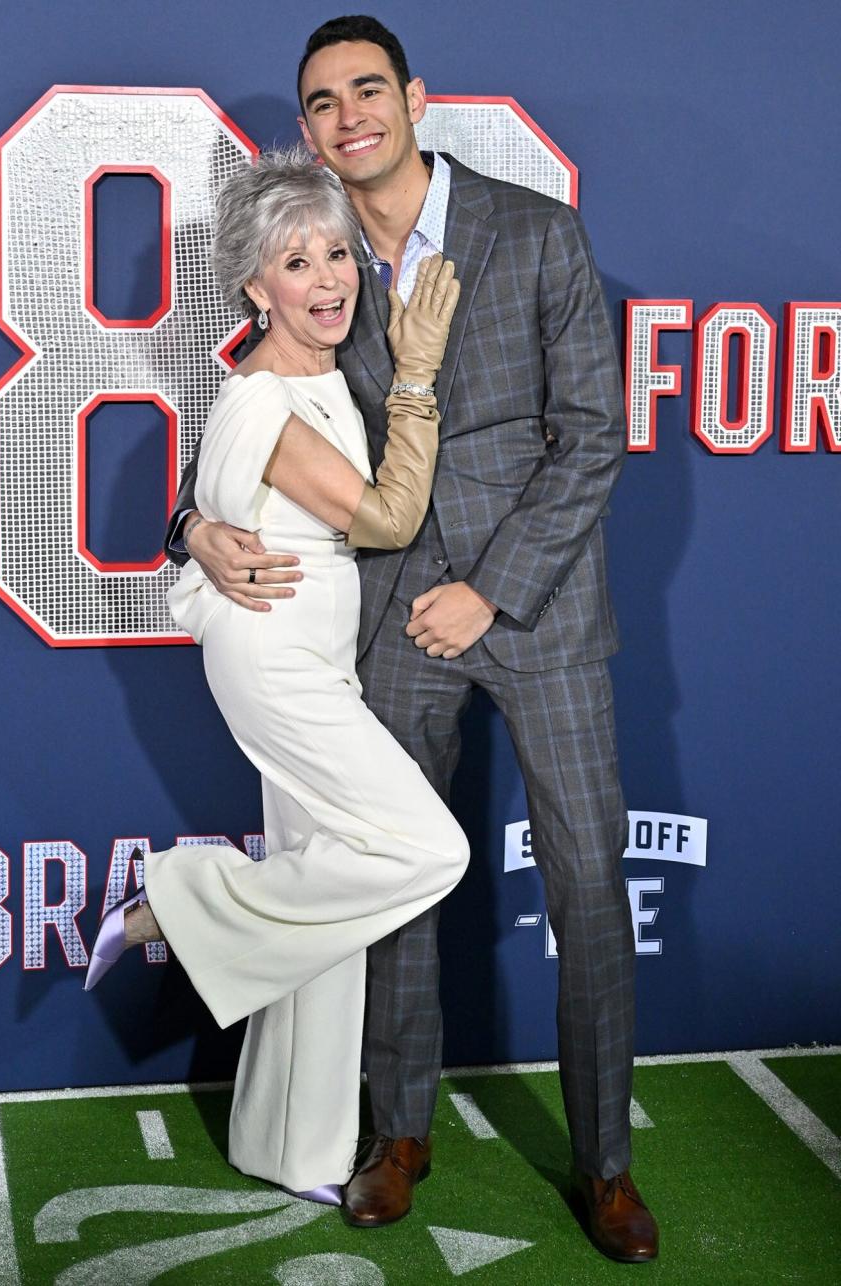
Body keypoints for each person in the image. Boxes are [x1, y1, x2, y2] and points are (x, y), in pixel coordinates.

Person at [167, 14, 660, 1263]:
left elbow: (590, 438)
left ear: (416, 98)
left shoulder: (537, 231)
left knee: (590, 887)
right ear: (311, 129)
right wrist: (190, 526)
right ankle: (397, 1132)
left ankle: (604, 1162)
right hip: (386, 620)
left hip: (532, 611)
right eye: (324, 103)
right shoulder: (318, 257)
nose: (350, 118)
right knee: (394, 879)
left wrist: (491, 591)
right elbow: (247, 417)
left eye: (368, 91)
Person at [86, 148, 466, 1204]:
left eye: (337, 251)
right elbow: (387, 516)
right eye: (297, 262)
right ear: (256, 287)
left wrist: (191, 522)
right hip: (275, 658)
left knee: (326, 904)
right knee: (429, 847)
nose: (329, 277)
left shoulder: (316, 373)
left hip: (313, 654)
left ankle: (288, 1147)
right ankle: (177, 899)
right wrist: (423, 371)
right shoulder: (266, 398)